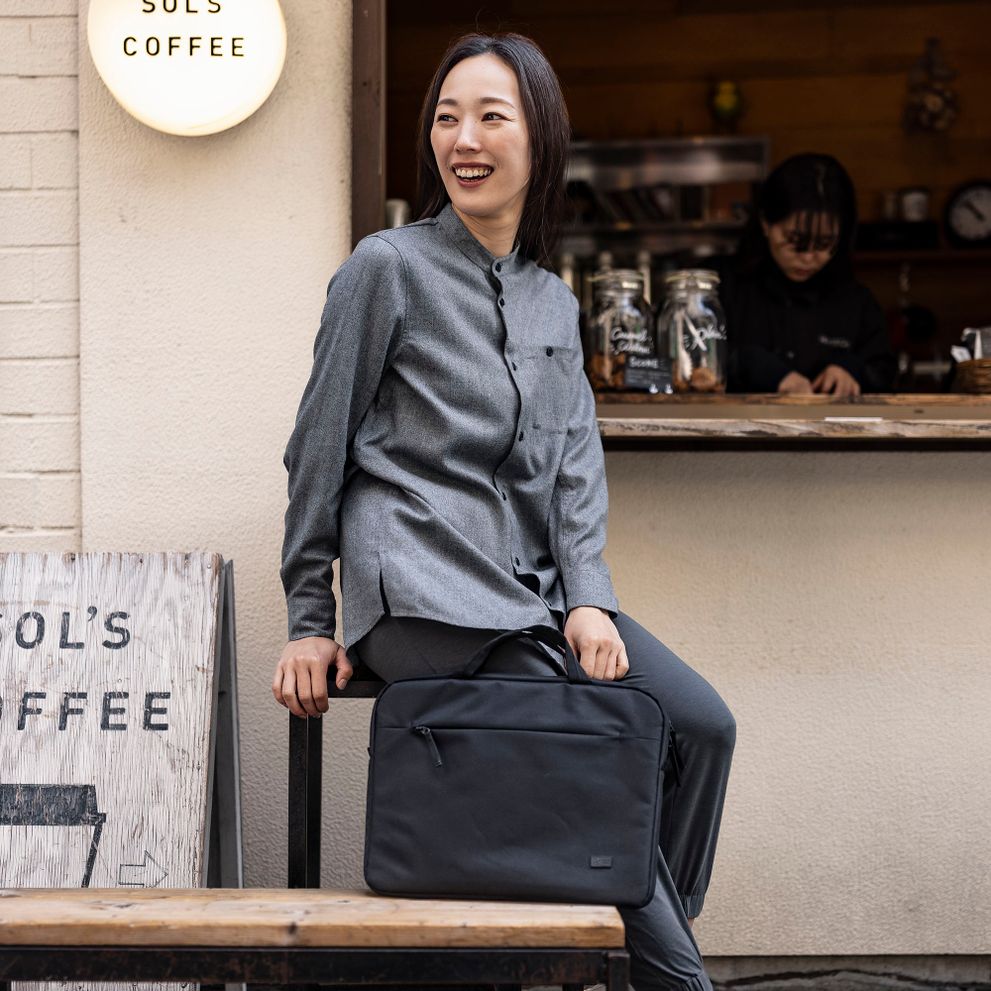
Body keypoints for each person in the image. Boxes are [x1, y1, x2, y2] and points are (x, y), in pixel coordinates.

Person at [273, 32, 735, 991]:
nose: (463, 138)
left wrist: (589, 600)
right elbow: (315, 449)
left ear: (541, 140)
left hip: (525, 593)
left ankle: (631, 918)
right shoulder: (384, 268)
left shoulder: (551, 304)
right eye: (446, 117)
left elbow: (572, 475)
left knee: (698, 725)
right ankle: (675, 976)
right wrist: (310, 621)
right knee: (584, 722)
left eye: (491, 116)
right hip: (422, 587)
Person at [720, 152, 897, 395]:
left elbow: (882, 368)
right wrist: (756, 367)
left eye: (824, 244)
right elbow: (685, 364)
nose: (808, 257)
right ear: (765, 223)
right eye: (795, 241)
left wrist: (850, 370)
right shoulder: (723, 287)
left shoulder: (855, 300)